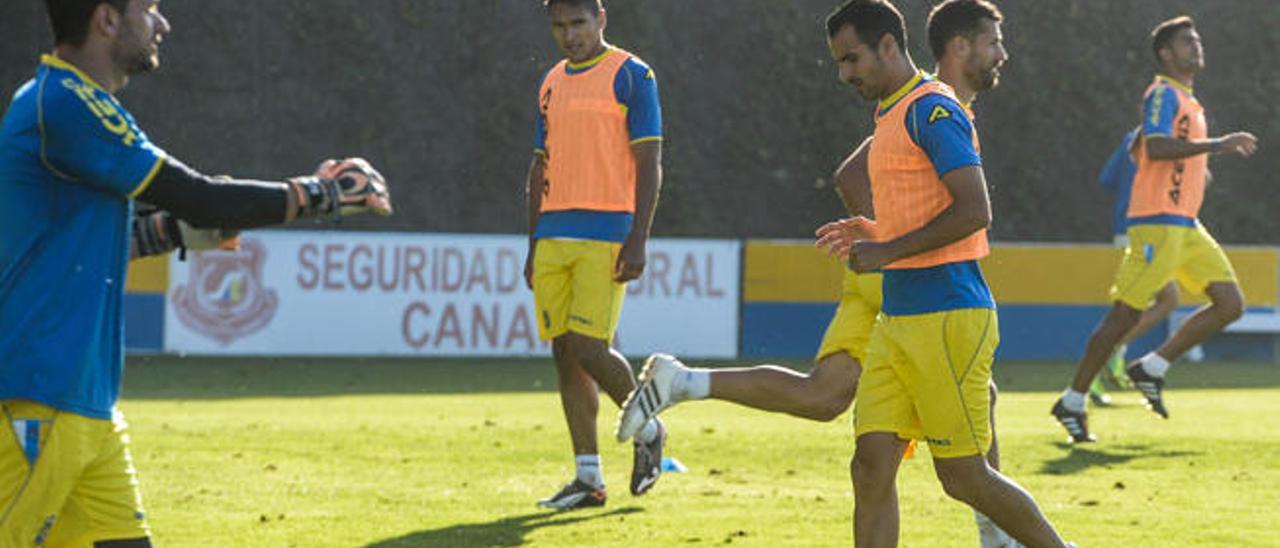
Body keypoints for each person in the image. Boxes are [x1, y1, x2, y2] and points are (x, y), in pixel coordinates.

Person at [617, 2, 1020, 545]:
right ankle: (997, 531)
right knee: (862, 426)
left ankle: (684, 381)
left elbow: (937, 202)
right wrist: (887, 243)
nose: (1002, 53)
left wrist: (887, 239)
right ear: (960, 47)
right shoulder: (925, 105)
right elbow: (867, 180)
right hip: (899, 284)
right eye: (993, 42)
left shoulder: (923, 104)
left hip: (916, 286)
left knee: (854, 415)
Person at [0, 0, 392, 545]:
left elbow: (84, 245)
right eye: (150, 9)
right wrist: (319, 194)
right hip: (39, 397)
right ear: (106, 19)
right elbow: (200, 197)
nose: (162, 23)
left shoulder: (67, 103)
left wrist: (174, 234)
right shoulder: (66, 103)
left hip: (84, 405)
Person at [813, 1, 1070, 545]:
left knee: (964, 477)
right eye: (839, 63)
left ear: (888, 45)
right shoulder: (890, 112)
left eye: (852, 59)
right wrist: (879, 233)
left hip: (947, 313)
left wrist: (888, 252)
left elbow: (975, 210)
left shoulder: (932, 109)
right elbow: (923, 211)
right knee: (870, 465)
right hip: (899, 318)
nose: (845, 74)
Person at [1051, 15, 1258, 443]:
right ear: (1166, 54)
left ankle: (1152, 367)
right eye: (1187, 41)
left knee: (1230, 303)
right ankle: (1071, 400)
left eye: (1197, 39)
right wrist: (1217, 146)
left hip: (1185, 225)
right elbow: (1158, 145)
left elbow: (1152, 147)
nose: (1196, 46)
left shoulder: (1187, 100)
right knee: (1124, 315)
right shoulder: (1163, 93)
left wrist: (1199, 165)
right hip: (1157, 224)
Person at [525, 0, 667, 510]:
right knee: (563, 352)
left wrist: (638, 238)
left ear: (601, 18)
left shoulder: (632, 74)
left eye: (578, 23)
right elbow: (539, 169)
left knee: (588, 347)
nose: (569, 35)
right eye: (559, 26)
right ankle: (588, 478)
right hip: (553, 234)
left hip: (607, 232)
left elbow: (649, 161)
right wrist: (532, 242)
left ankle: (648, 426)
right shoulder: (550, 82)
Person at [1096, 128, 1180, 398]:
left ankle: (1109, 357)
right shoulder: (1166, 143)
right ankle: (1108, 358)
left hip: (1126, 228)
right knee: (1167, 300)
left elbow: (1106, 179)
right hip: (1145, 230)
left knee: (1138, 304)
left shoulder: (1130, 138)